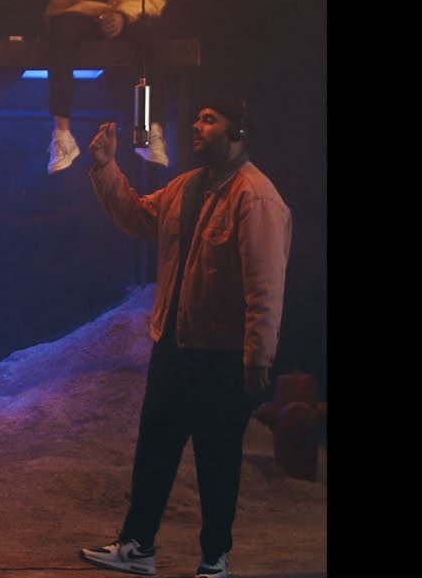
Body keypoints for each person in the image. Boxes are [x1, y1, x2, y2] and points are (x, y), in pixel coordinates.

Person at [77, 94, 291, 578]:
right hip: (174, 345)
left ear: (238, 132)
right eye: (197, 118)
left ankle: (214, 558)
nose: (197, 125)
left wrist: (258, 356)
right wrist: (107, 168)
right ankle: (138, 546)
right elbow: (138, 216)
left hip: (221, 355)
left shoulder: (255, 198)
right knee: (155, 448)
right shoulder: (187, 187)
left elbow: (265, 285)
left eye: (210, 120)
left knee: (217, 459)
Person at [44, 0, 168, 174]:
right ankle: (62, 134)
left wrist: (123, 16)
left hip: (122, 13)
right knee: (60, 35)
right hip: (80, 10)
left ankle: (148, 130)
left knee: (151, 41)